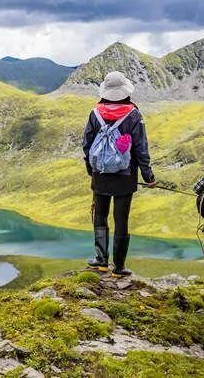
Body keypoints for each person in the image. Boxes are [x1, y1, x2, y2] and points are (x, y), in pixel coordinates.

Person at [82, 71, 156, 276]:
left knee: (101, 216)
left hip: (101, 174)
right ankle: (119, 267)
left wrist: (91, 169)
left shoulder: (95, 113)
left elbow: (87, 144)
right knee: (121, 219)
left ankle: (101, 260)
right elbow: (141, 148)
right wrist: (148, 176)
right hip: (125, 175)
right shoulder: (134, 114)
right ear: (125, 90)